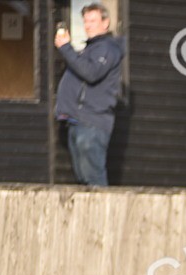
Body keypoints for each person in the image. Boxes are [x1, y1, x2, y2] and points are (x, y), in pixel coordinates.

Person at [55, 4, 124, 186]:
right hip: (78, 121)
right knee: (83, 180)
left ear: (105, 23)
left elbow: (91, 73)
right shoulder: (91, 48)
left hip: (92, 122)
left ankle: (102, 207)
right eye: (85, 21)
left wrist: (66, 48)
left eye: (93, 20)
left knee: (93, 179)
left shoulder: (107, 48)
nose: (87, 25)